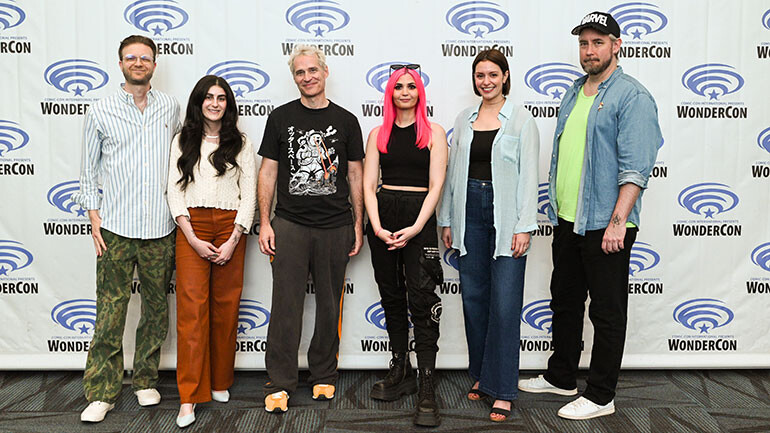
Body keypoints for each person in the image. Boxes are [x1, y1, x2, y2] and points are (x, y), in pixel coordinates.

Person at [517, 11, 662, 420]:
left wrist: (618, 222)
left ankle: (601, 395)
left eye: (598, 42)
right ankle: (562, 375)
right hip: (568, 219)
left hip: (606, 224)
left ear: (616, 45)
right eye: (584, 43)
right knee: (564, 301)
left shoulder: (632, 96)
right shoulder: (574, 91)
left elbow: (636, 167)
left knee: (606, 310)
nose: (589, 50)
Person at [73, 35, 180, 423]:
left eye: (145, 58)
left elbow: (180, 161)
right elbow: (88, 168)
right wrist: (93, 215)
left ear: (154, 64)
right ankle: (101, 391)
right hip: (114, 228)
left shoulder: (171, 107)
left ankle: (146, 380)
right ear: (120, 64)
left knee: (155, 310)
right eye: (131, 58)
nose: (138, 63)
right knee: (110, 311)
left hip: (160, 227)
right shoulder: (100, 110)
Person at [257, 45, 364, 413]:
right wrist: (265, 222)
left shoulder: (347, 121)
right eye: (300, 72)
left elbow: (354, 174)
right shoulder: (280, 118)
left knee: (329, 305)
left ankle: (323, 375)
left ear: (325, 71)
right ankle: (281, 381)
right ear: (295, 78)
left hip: (335, 225)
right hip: (290, 224)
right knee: (285, 305)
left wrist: (358, 224)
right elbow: (268, 171)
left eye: (312, 70)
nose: (307, 77)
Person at [437, 47, 540, 423]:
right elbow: (452, 176)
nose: (486, 81)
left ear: (505, 77)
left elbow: (529, 176)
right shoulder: (464, 120)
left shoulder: (521, 121)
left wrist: (524, 226)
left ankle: (503, 390)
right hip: (469, 213)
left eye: (493, 75)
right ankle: (481, 375)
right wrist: (447, 219)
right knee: (474, 299)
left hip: (506, 215)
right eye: (480, 75)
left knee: (505, 303)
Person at [166, 75, 256, 428]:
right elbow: (173, 190)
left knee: (225, 307)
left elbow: (249, 193)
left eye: (221, 98)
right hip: (193, 227)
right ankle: (188, 398)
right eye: (209, 97)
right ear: (198, 102)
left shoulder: (241, 142)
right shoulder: (182, 140)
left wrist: (235, 238)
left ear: (228, 104)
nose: (215, 103)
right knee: (192, 312)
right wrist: (190, 235)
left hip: (231, 227)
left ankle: (220, 381)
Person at [363, 64, 448, 427]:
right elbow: (368, 185)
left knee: (422, 299)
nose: (405, 92)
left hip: (419, 219)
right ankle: (402, 369)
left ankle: (427, 381)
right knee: (392, 296)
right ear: (390, 93)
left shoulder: (435, 133)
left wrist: (416, 227)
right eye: (399, 87)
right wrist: (378, 227)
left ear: (420, 93)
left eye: (411, 87)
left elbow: (436, 186)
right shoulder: (377, 134)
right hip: (383, 219)